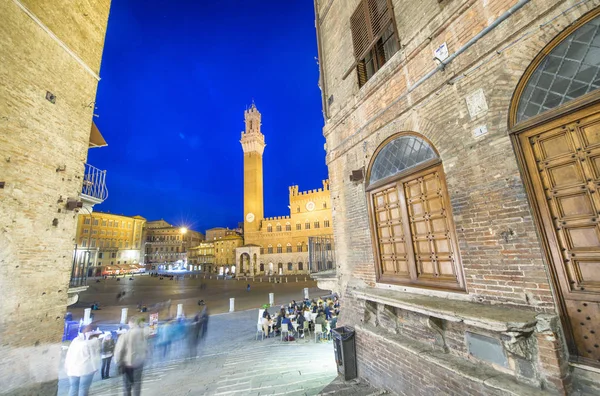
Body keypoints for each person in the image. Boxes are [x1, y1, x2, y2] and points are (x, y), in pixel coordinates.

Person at [114, 317, 148, 396]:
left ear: (130, 323)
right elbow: (146, 348)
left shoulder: (125, 335)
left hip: (128, 363)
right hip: (139, 363)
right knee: (137, 384)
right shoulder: (143, 335)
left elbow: (119, 350)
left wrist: (118, 361)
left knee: (127, 386)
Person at [64, 324, 101, 396]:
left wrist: (67, 366)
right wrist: (95, 368)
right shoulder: (92, 342)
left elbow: (69, 354)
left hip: (72, 369)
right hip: (86, 369)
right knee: (83, 388)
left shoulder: (75, 341)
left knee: (73, 388)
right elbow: (94, 357)